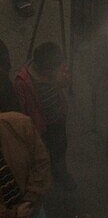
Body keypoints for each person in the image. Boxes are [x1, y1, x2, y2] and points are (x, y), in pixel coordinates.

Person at [13, 42, 72, 186]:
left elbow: (64, 84)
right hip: (40, 125)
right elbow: (22, 110)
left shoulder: (52, 71)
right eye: (54, 68)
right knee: (42, 155)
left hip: (57, 118)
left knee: (60, 147)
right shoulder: (23, 82)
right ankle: (43, 180)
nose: (58, 70)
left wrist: (64, 80)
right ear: (44, 68)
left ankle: (60, 173)